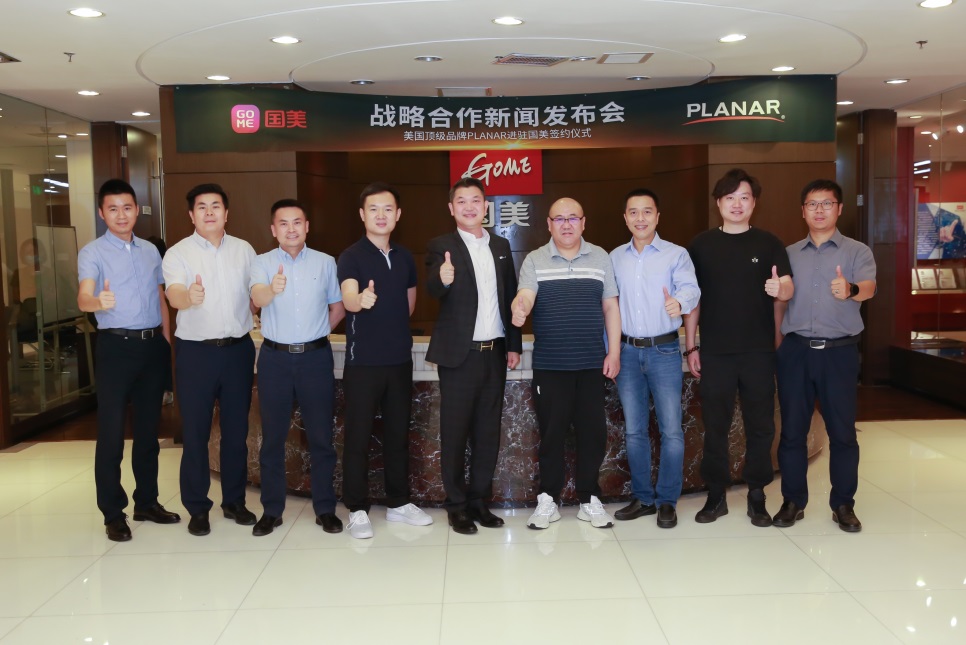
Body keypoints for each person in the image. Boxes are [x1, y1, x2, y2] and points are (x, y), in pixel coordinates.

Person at [684, 168, 793, 527]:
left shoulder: (769, 243)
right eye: (729, 197)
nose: (737, 204)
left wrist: (781, 290)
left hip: (758, 352)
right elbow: (693, 300)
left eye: (744, 197)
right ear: (718, 203)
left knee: (760, 426)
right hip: (715, 352)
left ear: (753, 203)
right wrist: (691, 346)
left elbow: (787, 288)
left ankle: (757, 495)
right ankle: (716, 495)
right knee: (715, 426)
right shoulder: (701, 245)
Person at [77, 179, 179, 542]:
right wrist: (97, 302)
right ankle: (113, 512)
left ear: (136, 210)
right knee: (111, 434)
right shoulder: (92, 252)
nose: (121, 215)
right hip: (116, 348)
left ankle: (146, 502)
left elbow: (160, 297)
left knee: (149, 432)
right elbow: (83, 297)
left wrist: (166, 342)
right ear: (102, 213)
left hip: (152, 347)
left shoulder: (151, 251)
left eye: (127, 207)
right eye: (113, 209)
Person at [511, 197, 621, 530]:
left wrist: (614, 352)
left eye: (573, 218)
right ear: (549, 225)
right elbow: (526, 294)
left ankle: (589, 499)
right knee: (552, 435)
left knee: (593, 434)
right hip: (551, 366)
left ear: (583, 222)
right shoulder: (535, 259)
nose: (567, 224)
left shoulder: (600, 257)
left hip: (591, 364)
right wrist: (520, 306)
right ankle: (548, 499)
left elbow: (611, 307)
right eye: (559, 219)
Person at [774, 179, 876, 532]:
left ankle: (843, 504)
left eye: (827, 203)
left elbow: (869, 288)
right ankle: (793, 501)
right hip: (796, 351)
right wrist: (779, 345)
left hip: (839, 353)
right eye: (812, 204)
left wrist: (850, 288)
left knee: (843, 433)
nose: (819, 210)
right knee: (792, 431)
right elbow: (780, 302)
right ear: (802, 211)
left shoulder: (857, 251)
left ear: (839, 208)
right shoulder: (788, 253)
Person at [425, 177, 522, 535]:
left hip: (494, 353)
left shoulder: (500, 245)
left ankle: (479, 502)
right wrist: (443, 278)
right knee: (454, 433)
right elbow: (432, 289)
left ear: (486, 207)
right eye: (462, 201)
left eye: (475, 200)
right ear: (451, 208)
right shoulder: (441, 245)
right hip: (459, 356)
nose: (469, 206)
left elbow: (510, 296)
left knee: (487, 432)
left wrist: (514, 345)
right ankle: (456, 506)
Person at [337, 182, 432, 539]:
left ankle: (399, 502)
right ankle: (357, 508)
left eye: (388, 209)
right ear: (362, 215)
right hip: (363, 363)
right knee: (358, 438)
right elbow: (348, 296)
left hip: (399, 361)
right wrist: (359, 301)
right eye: (373, 209)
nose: (381, 215)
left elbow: (409, 305)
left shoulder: (405, 257)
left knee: (398, 435)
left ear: (398, 215)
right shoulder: (351, 256)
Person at [163, 183, 257, 537]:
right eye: (201, 207)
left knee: (236, 432)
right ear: (192, 215)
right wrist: (188, 296)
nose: (209, 212)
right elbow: (174, 294)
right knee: (196, 433)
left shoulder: (244, 250)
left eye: (215, 205)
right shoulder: (178, 253)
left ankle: (234, 501)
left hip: (238, 351)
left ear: (226, 213)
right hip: (196, 354)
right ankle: (197, 508)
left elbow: (255, 294)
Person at [249, 199, 346, 536]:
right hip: (274, 359)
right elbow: (257, 299)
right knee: (272, 439)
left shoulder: (325, 262)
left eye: (297, 222)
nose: (291, 229)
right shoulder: (262, 262)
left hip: (315, 358)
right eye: (283, 223)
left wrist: (316, 334)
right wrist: (271, 290)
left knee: (321, 437)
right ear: (273, 229)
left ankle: (325, 509)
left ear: (307, 227)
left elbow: (337, 307)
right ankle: (271, 510)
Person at [610, 188, 700, 529]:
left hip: (664, 351)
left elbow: (691, 289)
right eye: (633, 212)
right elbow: (608, 306)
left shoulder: (676, 255)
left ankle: (666, 501)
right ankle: (644, 498)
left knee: (671, 430)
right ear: (625, 218)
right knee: (634, 431)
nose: (640, 218)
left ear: (658, 217)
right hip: (627, 351)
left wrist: (679, 302)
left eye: (647, 211)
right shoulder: (614, 258)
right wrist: (610, 349)